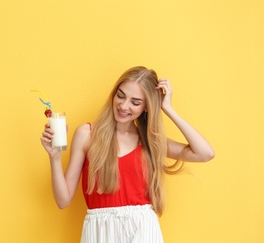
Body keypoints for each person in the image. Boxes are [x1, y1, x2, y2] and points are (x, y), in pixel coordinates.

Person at [40, 66, 215, 243]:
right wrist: (54, 158)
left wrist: (167, 108)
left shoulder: (150, 141)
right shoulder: (87, 134)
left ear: (147, 106)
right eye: (121, 96)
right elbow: (63, 200)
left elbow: (205, 153)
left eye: (136, 102)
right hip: (100, 231)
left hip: (143, 229)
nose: (124, 106)